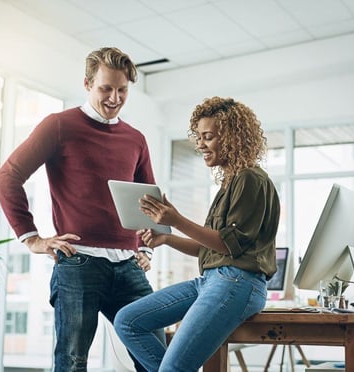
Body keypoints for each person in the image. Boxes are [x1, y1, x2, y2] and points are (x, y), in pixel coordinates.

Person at [0, 47, 164, 371]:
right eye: (105, 88)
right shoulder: (59, 126)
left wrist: (146, 248)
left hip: (129, 267)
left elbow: (149, 202)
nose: (114, 97)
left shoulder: (136, 139)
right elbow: (7, 178)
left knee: (158, 358)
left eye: (122, 90)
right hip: (78, 264)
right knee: (72, 362)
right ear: (87, 84)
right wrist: (33, 238)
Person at [114, 96, 281, 372]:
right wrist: (166, 237)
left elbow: (228, 246)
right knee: (128, 321)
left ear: (232, 139)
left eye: (208, 137)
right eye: (199, 137)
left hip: (238, 282)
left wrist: (175, 219)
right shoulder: (230, 182)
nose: (200, 144)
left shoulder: (250, 179)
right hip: (213, 280)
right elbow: (212, 248)